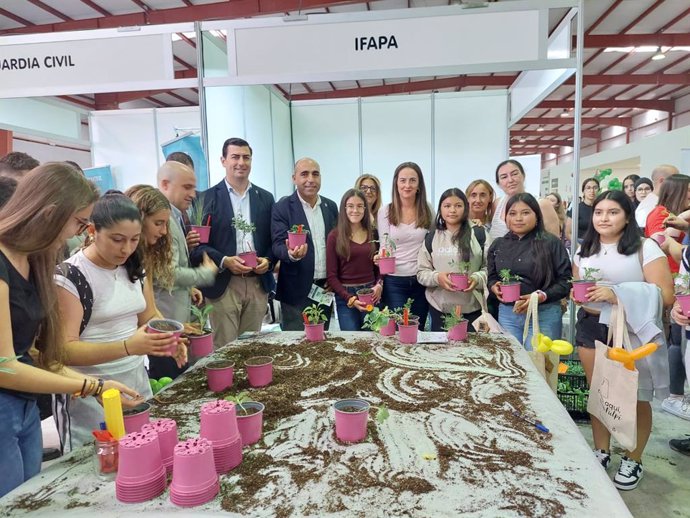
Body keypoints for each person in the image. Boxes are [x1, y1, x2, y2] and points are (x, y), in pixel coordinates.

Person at [0, 164, 140, 498]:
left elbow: (40, 355)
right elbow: (5, 365)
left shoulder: (35, 260)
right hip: (5, 407)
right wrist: (91, 384)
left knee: (29, 496)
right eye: (78, 223)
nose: (78, 234)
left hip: (25, 406)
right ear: (50, 213)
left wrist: (99, 386)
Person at [54, 194, 184, 452]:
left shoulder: (135, 266)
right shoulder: (70, 276)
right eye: (117, 240)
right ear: (92, 231)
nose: (126, 249)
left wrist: (170, 338)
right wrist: (127, 346)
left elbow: (148, 316)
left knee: (143, 456)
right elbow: (64, 351)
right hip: (91, 397)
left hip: (136, 385)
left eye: (134, 240)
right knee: (99, 468)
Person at [572, 189, 673, 490]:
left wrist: (617, 295)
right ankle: (601, 450)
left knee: (635, 395)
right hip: (591, 327)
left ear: (627, 216)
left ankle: (633, 457)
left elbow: (665, 294)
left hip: (630, 332)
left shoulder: (645, 247)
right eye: (599, 212)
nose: (604, 218)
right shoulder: (584, 249)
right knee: (599, 393)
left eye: (613, 212)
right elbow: (580, 286)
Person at [191, 138, 275, 347]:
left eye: (246, 157)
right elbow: (197, 246)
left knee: (251, 348)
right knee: (225, 348)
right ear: (223, 160)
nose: (241, 162)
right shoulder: (205, 199)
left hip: (257, 284)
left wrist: (268, 260)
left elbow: (274, 241)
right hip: (224, 284)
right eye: (235, 157)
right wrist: (224, 260)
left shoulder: (265, 198)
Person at [487, 193, 571, 347]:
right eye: (512, 213)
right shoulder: (498, 245)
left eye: (525, 213)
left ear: (537, 216)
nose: (518, 218)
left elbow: (566, 281)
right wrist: (494, 286)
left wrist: (542, 296)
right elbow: (491, 276)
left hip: (544, 313)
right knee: (511, 363)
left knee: (539, 365)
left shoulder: (551, 243)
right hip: (508, 314)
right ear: (505, 218)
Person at [156, 162, 217, 367]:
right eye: (187, 187)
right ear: (165, 184)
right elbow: (167, 273)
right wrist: (204, 274)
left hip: (175, 321)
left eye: (194, 187)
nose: (193, 194)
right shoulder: (164, 221)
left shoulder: (177, 216)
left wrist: (189, 286)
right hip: (165, 324)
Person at [272, 157, 338, 330]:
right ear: (294, 178)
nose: (310, 179)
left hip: (324, 288)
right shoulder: (283, 207)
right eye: (304, 174)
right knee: (295, 344)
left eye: (315, 174)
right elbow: (277, 245)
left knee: (321, 342)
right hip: (295, 288)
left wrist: (335, 276)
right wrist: (291, 254)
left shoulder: (330, 207)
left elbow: (337, 246)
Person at [417, 188, 490, 330]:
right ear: (440, 209)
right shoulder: (432, 237)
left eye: (458, 205)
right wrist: (437, 278)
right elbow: (421, 272)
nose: (452, 210)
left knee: (472, 351)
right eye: (447, 206)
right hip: (440, 309)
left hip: (473, 309)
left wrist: (476, 278)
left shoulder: (480, 234)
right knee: (442, 351)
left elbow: (490, 269)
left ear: (465, 208)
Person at [377, 162, 433, 329]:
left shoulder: (427, 209)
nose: (407, 185)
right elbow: (384, 244)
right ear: (396, 183)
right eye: (402, 180)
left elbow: (433, 243)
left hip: (421, 279)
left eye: (412, 180)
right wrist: (379, 259)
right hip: (394, 280)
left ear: (419, 185)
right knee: (399, 329)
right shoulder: (386, 211)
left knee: (419, 327)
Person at [326, 189, 381, 330]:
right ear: (344, 209)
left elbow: (380, 266)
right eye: (350, 206)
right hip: (346, 296)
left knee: (372, 339)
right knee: (351, 341)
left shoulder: (373, 233)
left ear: (365, 209)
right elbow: (331, 276)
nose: (355, 210)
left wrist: (379, 285)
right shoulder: (335, 236)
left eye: (359, 206)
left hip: (370, 293)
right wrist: (349, 298)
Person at [490, 159, 560, 240]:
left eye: (514, 174)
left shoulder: (542, 204)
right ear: (498, 183)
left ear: (523, 176)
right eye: (504, 177)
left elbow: (555, 243)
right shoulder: (496, 204)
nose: (510, 180)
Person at [644, 174, 690, 273]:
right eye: (689, 190)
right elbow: (660, 244)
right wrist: (680, 218)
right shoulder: (660, 213)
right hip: (671, 276)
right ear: (675, 192)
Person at [566, 177, 599, 244]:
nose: (592, 191)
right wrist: (578, 246)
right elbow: (568, 232)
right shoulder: (577, 208)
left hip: (597, 243)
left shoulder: (601, 208)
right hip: (579, 243)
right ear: (583, 191)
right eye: (588, 188)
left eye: (595, 188)